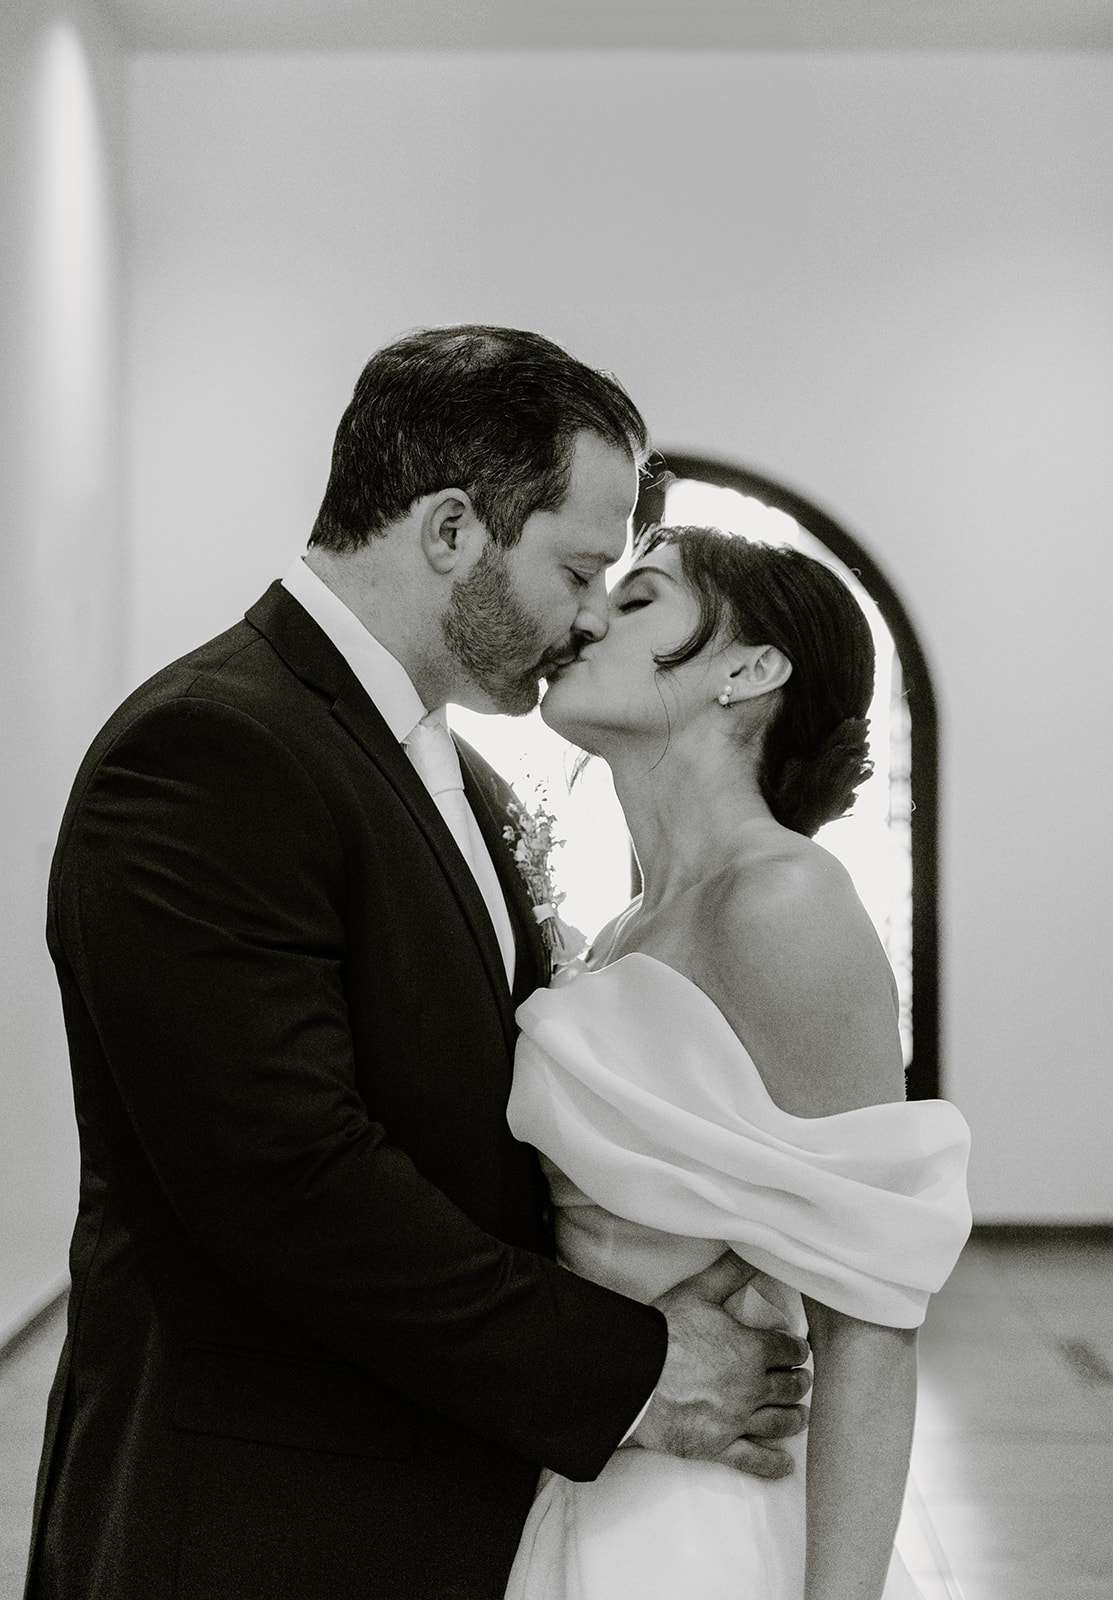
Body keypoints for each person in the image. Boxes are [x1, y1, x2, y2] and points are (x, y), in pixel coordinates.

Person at [27, 330, 811, 1600]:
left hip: (428, 1488)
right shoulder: (209, 750)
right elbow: (289, 1183)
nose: (588, 616)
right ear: (451, 529)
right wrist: (629, 1364)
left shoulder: (451, 764)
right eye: (578, 569)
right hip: (259, 1519)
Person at [503, 526, 972, 1600]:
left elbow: (870, 1320)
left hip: (707, 1520)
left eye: (638, 599)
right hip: (601, 1465)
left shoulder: (783, 902)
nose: (585, 618)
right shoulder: (622, 930)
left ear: (750, 670)